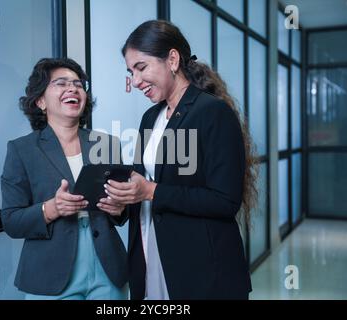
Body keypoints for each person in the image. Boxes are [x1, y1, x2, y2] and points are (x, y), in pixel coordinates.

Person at [104, 20, 258, 300]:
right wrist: (121, 204)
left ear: (172, 59)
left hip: (202, 269)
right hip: (152, 256)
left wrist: (151, 191)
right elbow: (145, 187)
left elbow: (225, 201)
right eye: (130, 72)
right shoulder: (150, 118)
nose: (135, 81)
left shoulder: (213, 112)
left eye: (141, 67)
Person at [0, 58, 128, 300]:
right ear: (40, 101)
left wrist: (119, 208)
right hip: (50, 273)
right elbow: (11, 221)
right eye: (61, 83)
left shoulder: (107, 144)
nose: (73, 89)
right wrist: (52, 208)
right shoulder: (22, 150)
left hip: (108, 269)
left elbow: (123, 213)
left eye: (78, 84)